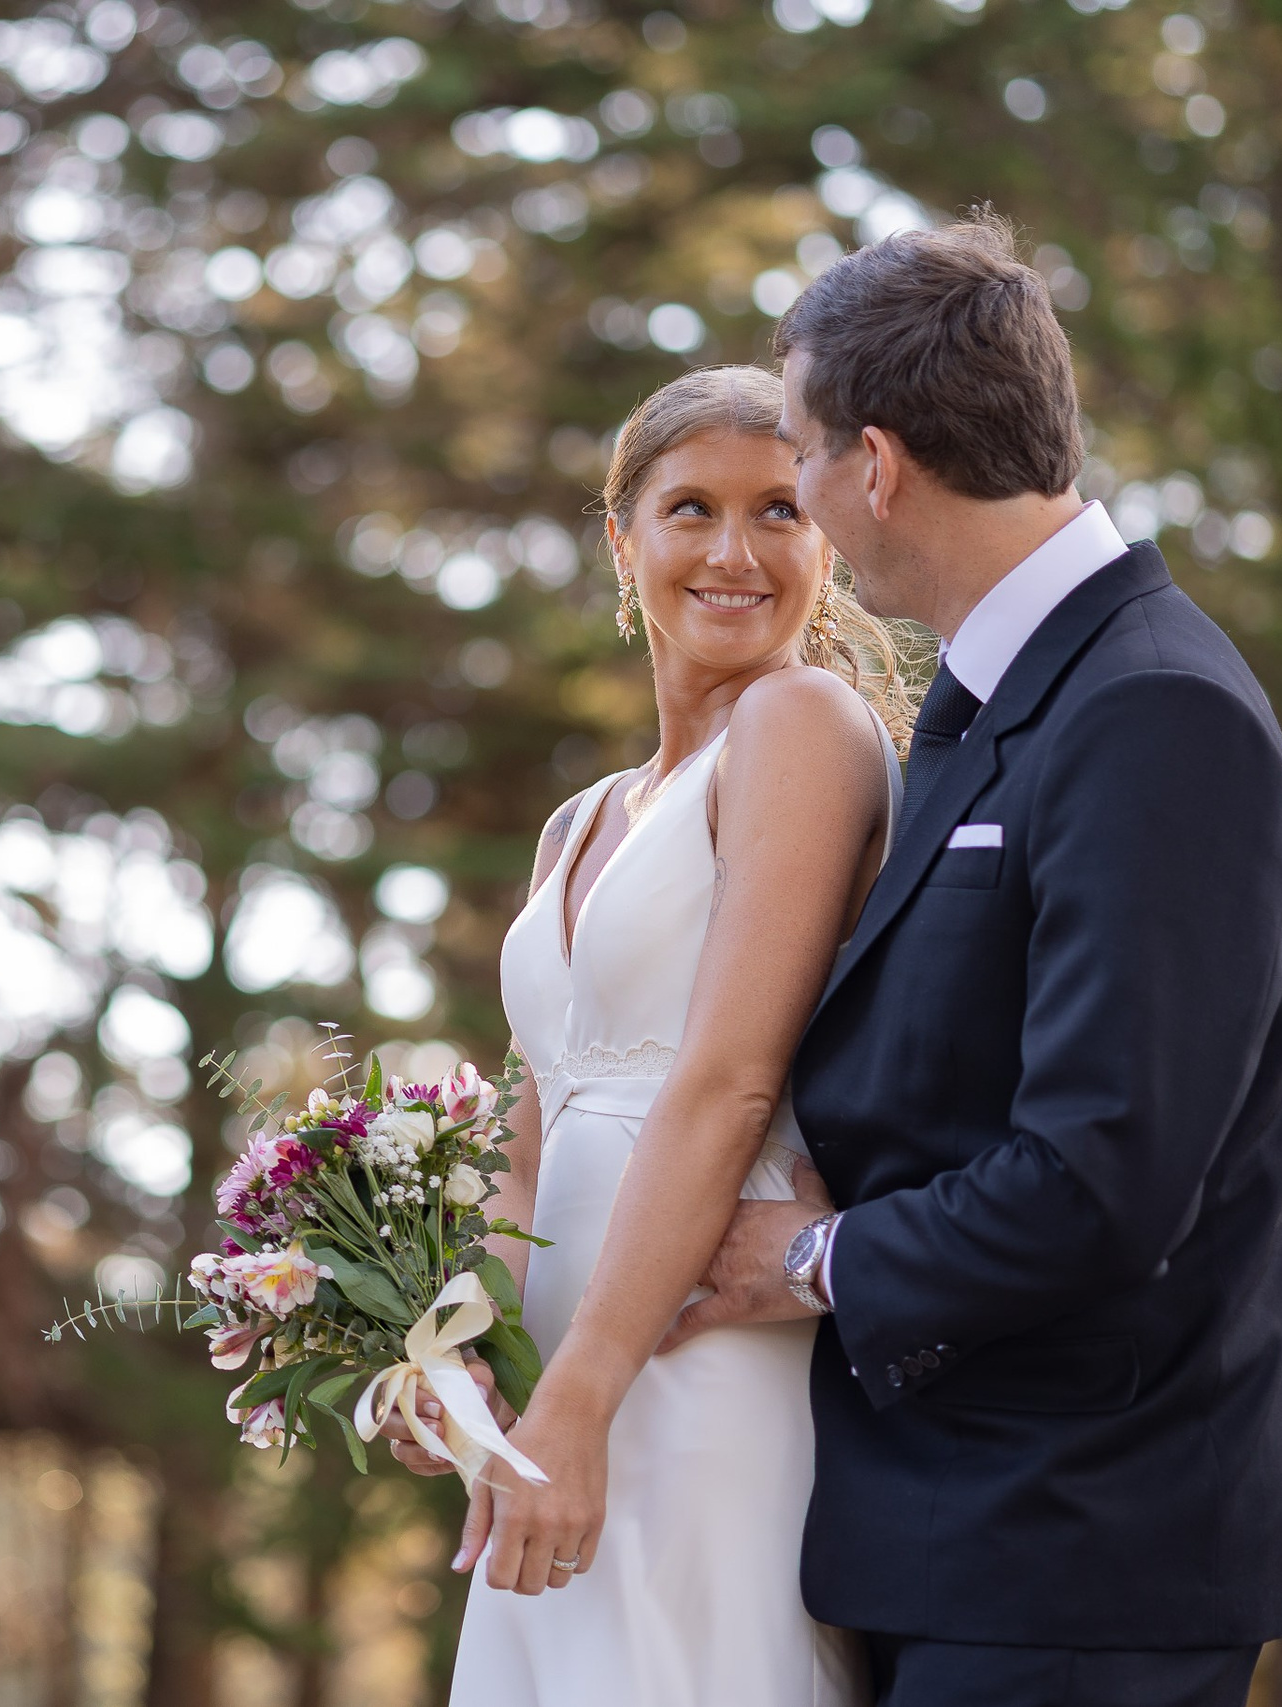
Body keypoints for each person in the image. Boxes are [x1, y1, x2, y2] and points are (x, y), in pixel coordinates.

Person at [670, 214, 1282, 1705]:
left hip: (1083, 1557)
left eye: (800, 456)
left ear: (880, 466)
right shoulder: (1000, 704)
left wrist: (816, 1260)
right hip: (954, 1538)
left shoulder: (1155, 714)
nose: (801, 499)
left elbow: (1105, 1177)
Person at [392, 363, 909, 1705]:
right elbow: (524, 1149)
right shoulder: (581, 822)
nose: (735, 553)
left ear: (828, 540)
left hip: (692, 1359)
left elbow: (732, 1083)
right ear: (623, 543)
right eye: (691, 510)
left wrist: (584, 1399)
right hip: (561, 1377)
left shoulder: (802, 725)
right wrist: (453, 1360)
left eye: (781, 512)